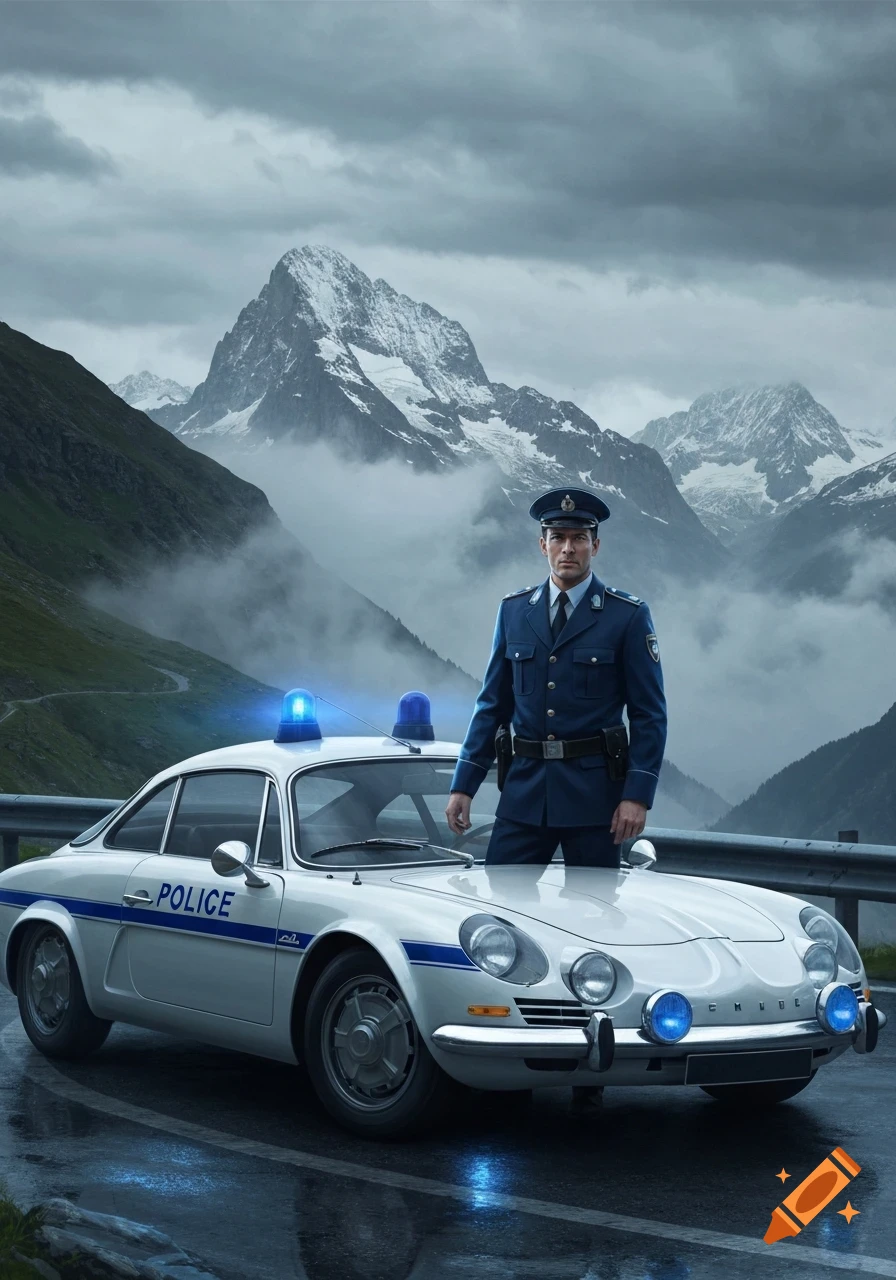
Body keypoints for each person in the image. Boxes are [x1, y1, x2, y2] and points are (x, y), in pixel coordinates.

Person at [444, 486, 667, 1109]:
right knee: (500, 925)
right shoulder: (514, 612)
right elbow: (494, 702)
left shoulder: (625, 615)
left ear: (596, 545)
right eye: (557, 538)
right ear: (542, 544)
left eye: (579, 538)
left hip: (597, 797)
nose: (567, 548)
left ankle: (592, 1065)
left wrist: (636, 796)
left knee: (594, 929)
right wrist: (465, 781)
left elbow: (650, 716)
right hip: (523, 797)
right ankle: (507, 1052)